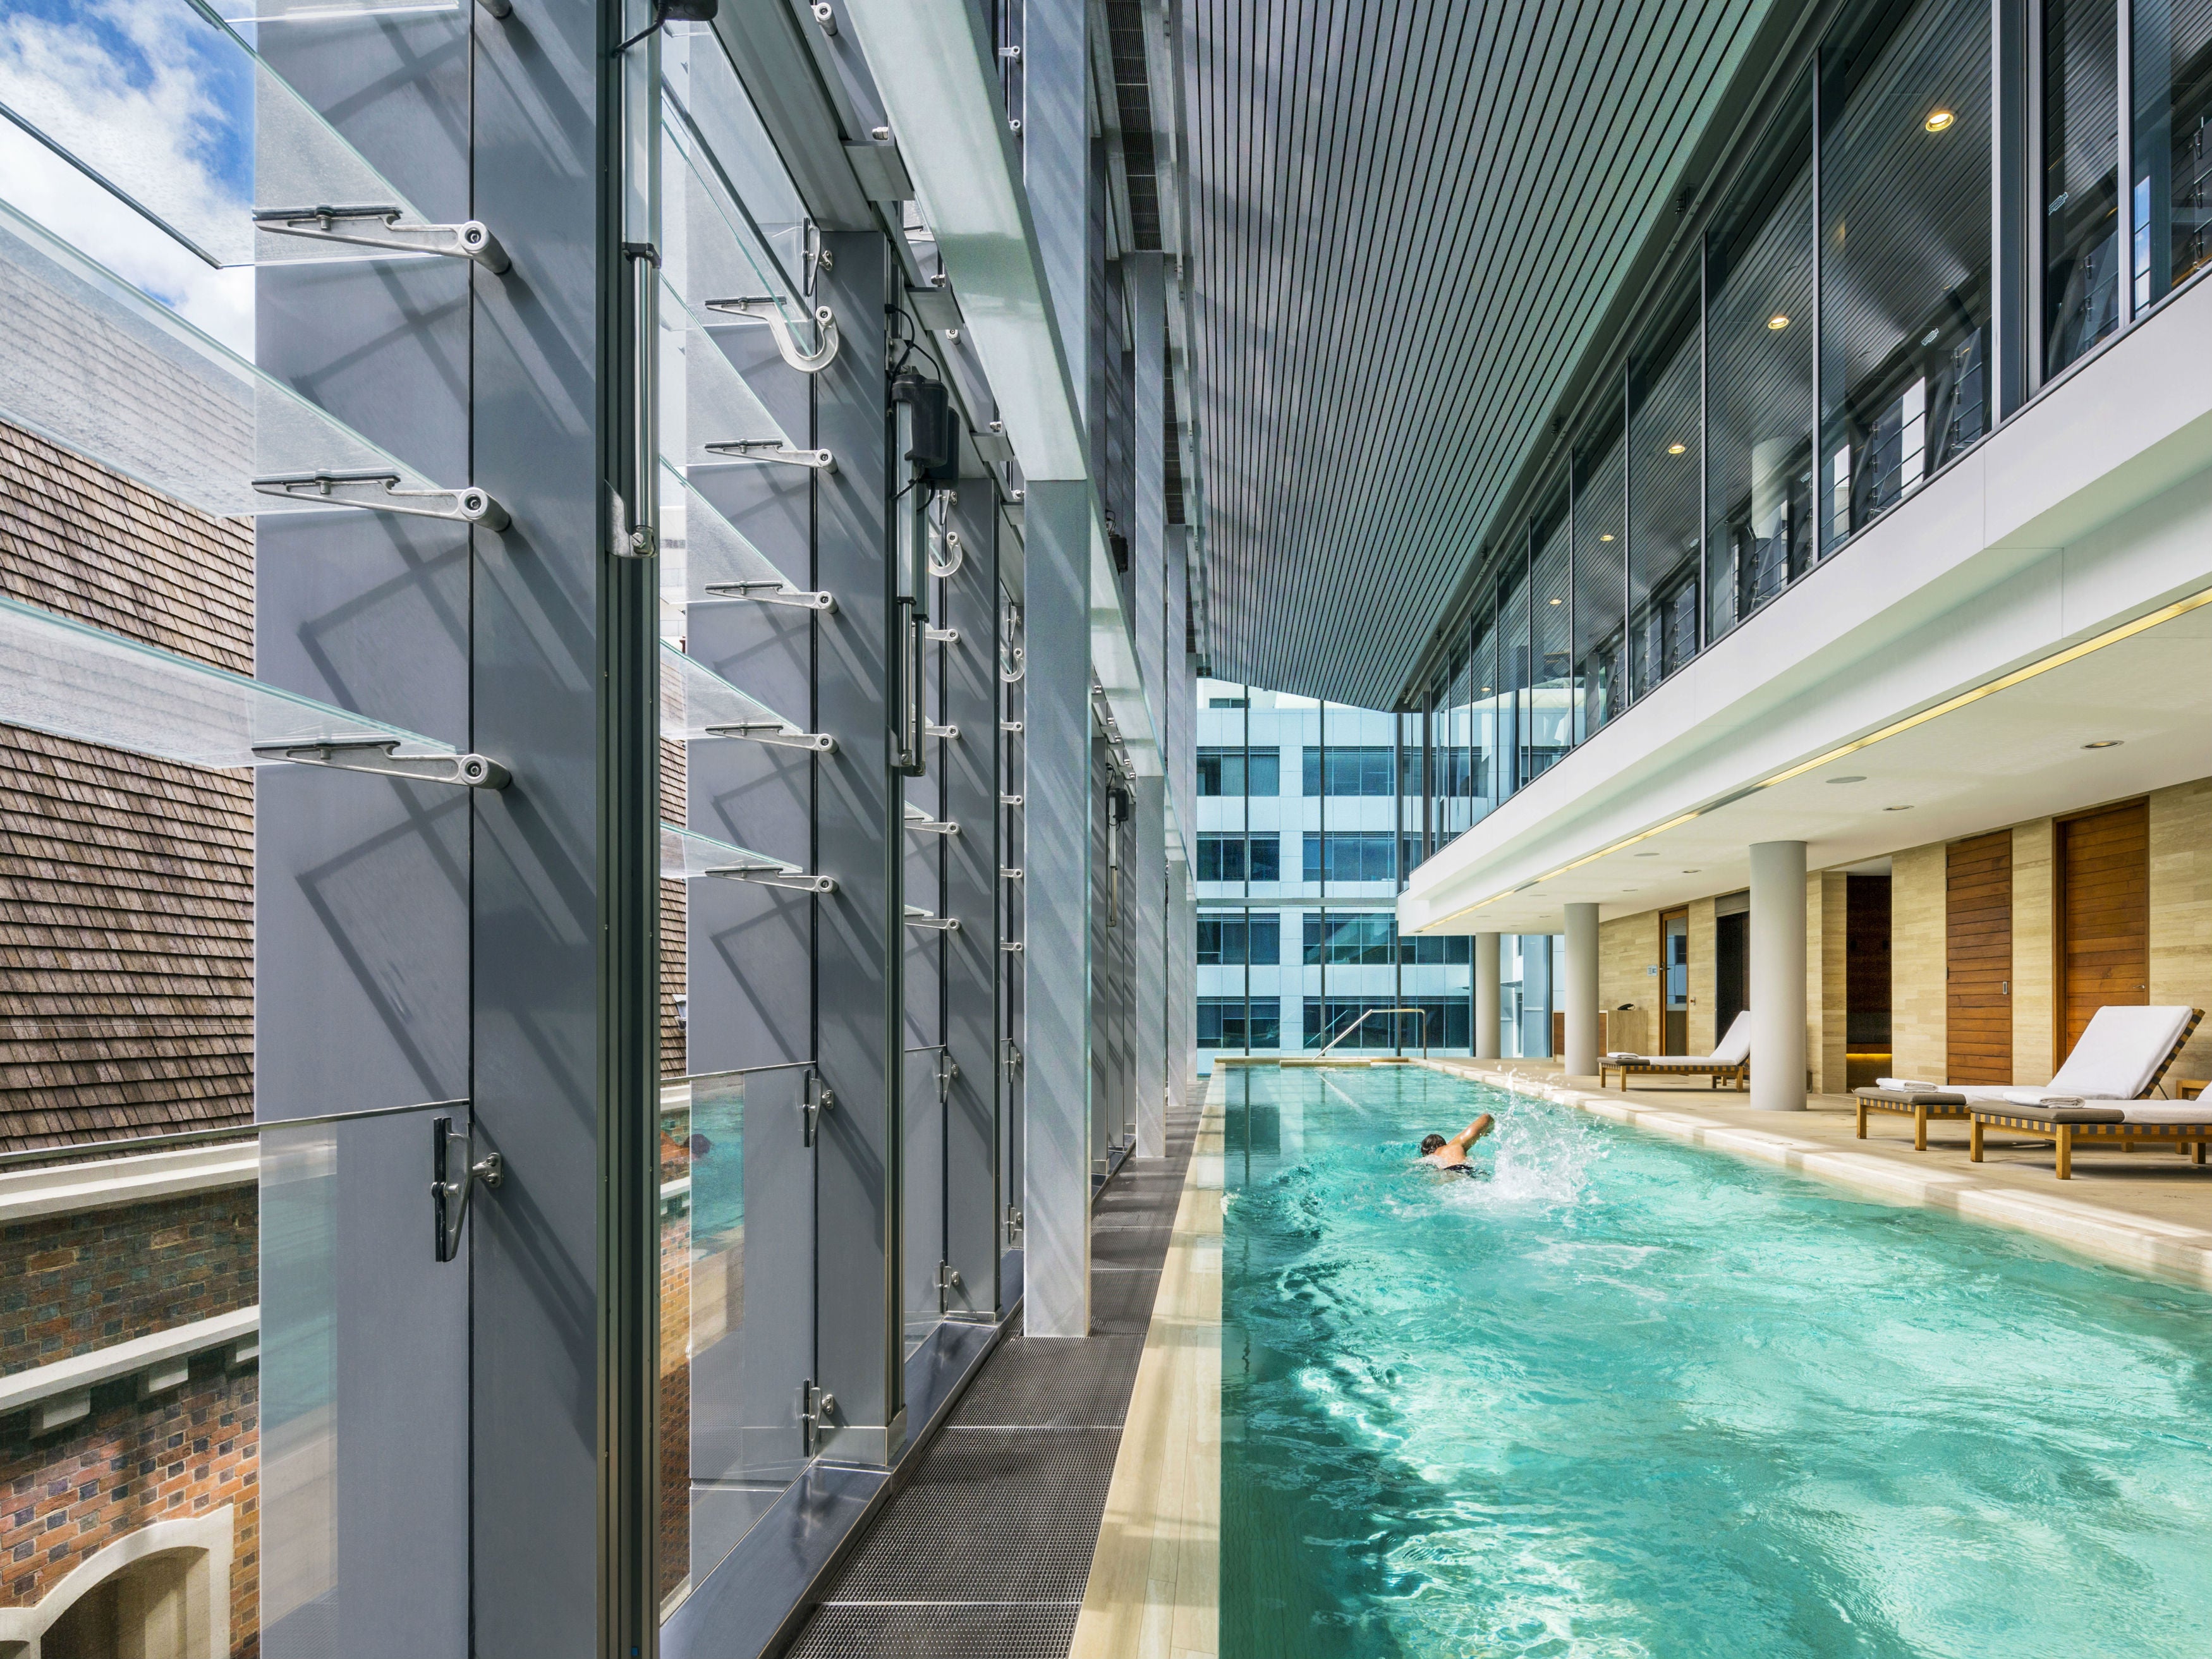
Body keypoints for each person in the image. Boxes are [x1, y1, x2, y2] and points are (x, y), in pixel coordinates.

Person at [1419, 1113, 1495, 1173]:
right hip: (1463, 1170)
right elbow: (1486, 1117)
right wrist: (1488, 1130)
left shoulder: (1430, 1158)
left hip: (1445, 1174)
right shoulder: (1455, 1145)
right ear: (1444, 1144)